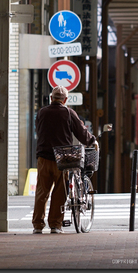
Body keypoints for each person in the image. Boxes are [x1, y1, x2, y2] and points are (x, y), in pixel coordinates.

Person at [32, 86, 97, 234]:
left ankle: (37, 225)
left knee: (42, 192)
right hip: (62, 159)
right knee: (60, 192)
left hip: (43, 158)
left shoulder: (42, 112)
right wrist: (92, 141)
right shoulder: (68, 113)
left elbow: (38, 129)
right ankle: (55, 225)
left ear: (51, 98)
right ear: (65, 100)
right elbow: (81, 132)